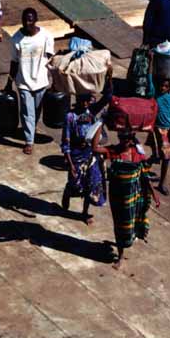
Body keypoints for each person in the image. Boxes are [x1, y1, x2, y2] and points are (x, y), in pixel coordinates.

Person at [92, 125, 160, 269]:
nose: (122, 141)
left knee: (134, 220)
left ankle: (133, 237)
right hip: (118, 196)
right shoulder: (114, 151)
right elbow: (95, 148)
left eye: (125, 139)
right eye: (121, 138)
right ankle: (121, 255)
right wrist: (100, 124)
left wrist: (154, 194)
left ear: (131, 140)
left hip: (134, 195)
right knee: (120, 225)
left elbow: (145, 174)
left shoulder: (137, 153)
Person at [61, 68, 113, 225]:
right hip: (76, 156)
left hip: (89, 154)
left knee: (90, 183)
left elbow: (108, 97)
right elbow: (66, 142)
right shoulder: (70, 117)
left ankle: (84, 212)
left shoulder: (91, 111)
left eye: (88, 100)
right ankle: (68, 192)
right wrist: (70, 163)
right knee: (75, 184)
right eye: (83, 100)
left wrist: (109, 78)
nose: (86, 103)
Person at [6, 8, 54, 155]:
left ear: (35, 20)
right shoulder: (16, 39)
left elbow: (51, 58)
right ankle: (29, 141)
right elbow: (14, 62)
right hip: (23, 82)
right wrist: (9, 81)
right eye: (25, 19)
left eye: (30, 19)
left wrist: (55, 79)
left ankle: (30, 129)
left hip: (41, 81)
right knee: (27, 112)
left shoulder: (46, 36)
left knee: (36, 111)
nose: (27, 22)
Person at [146, 61, 170, 196]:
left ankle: (162, 183)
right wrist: (151, 61)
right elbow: (149, 78)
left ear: (169, 88)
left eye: (166, 86)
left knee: (166, 157)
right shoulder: (154, 94)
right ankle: (143, 170)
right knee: (158, 156)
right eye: (161, 85)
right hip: (155, 130)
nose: (162, 88)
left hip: (167, 131)